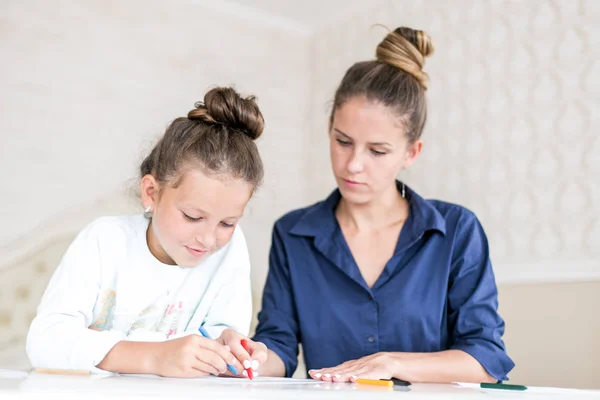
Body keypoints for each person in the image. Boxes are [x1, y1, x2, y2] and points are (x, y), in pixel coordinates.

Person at [245, 26, 514, 383]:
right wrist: (242, 362)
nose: (354, 164)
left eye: (377, 150)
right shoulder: (292, 234)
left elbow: (486, 358)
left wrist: (392, 364)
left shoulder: (457, 231)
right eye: (343, 141)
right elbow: (277, 346)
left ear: (411, 152)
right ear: (329, 129)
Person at [27, 86, 269, 378]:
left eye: (227, 223)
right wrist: (157, 357)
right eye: (193, 216)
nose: (208, 239)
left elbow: (214, 336)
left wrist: (227, 345)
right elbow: (45, 341)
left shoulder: (229, 250)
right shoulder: (105, 241)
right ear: (151, 192)